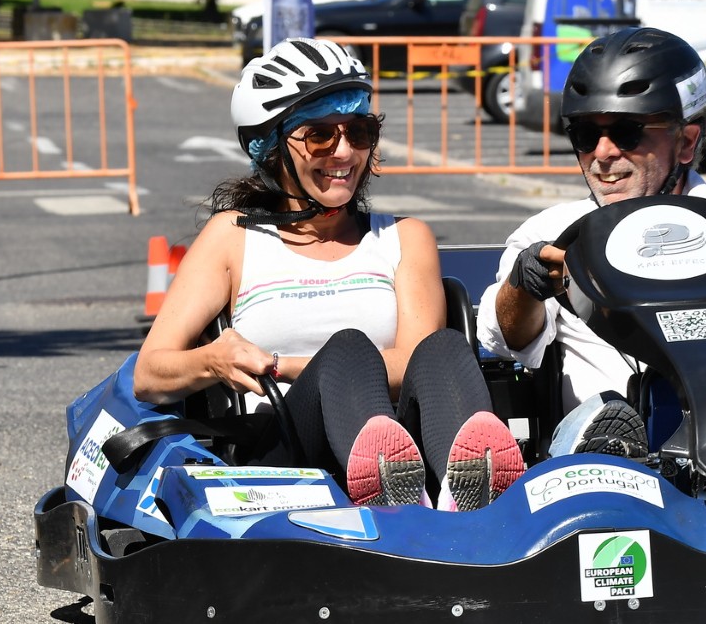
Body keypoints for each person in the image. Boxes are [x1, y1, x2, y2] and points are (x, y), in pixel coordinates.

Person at [136, 37, 524, 510]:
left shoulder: (406, 237)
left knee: (443, 346)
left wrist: (280, 365)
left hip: (402, 440)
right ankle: (392, 497)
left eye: (359, 132)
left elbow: (413, 359)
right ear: (271, 146)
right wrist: (213, 360)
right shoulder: (232, 236)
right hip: (282, 450)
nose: (344, 152)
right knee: (348, 349)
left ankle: (468, 503)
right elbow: (149, 372)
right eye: (320, 135)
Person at [477, 26, 706, 460]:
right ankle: (610, 456)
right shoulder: (549, 233)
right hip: (608, 445)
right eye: (584, 134)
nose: (603, 153)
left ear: (686, 141)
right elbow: (505, 342)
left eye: (626, 132)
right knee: (606, 410)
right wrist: (525, 286)